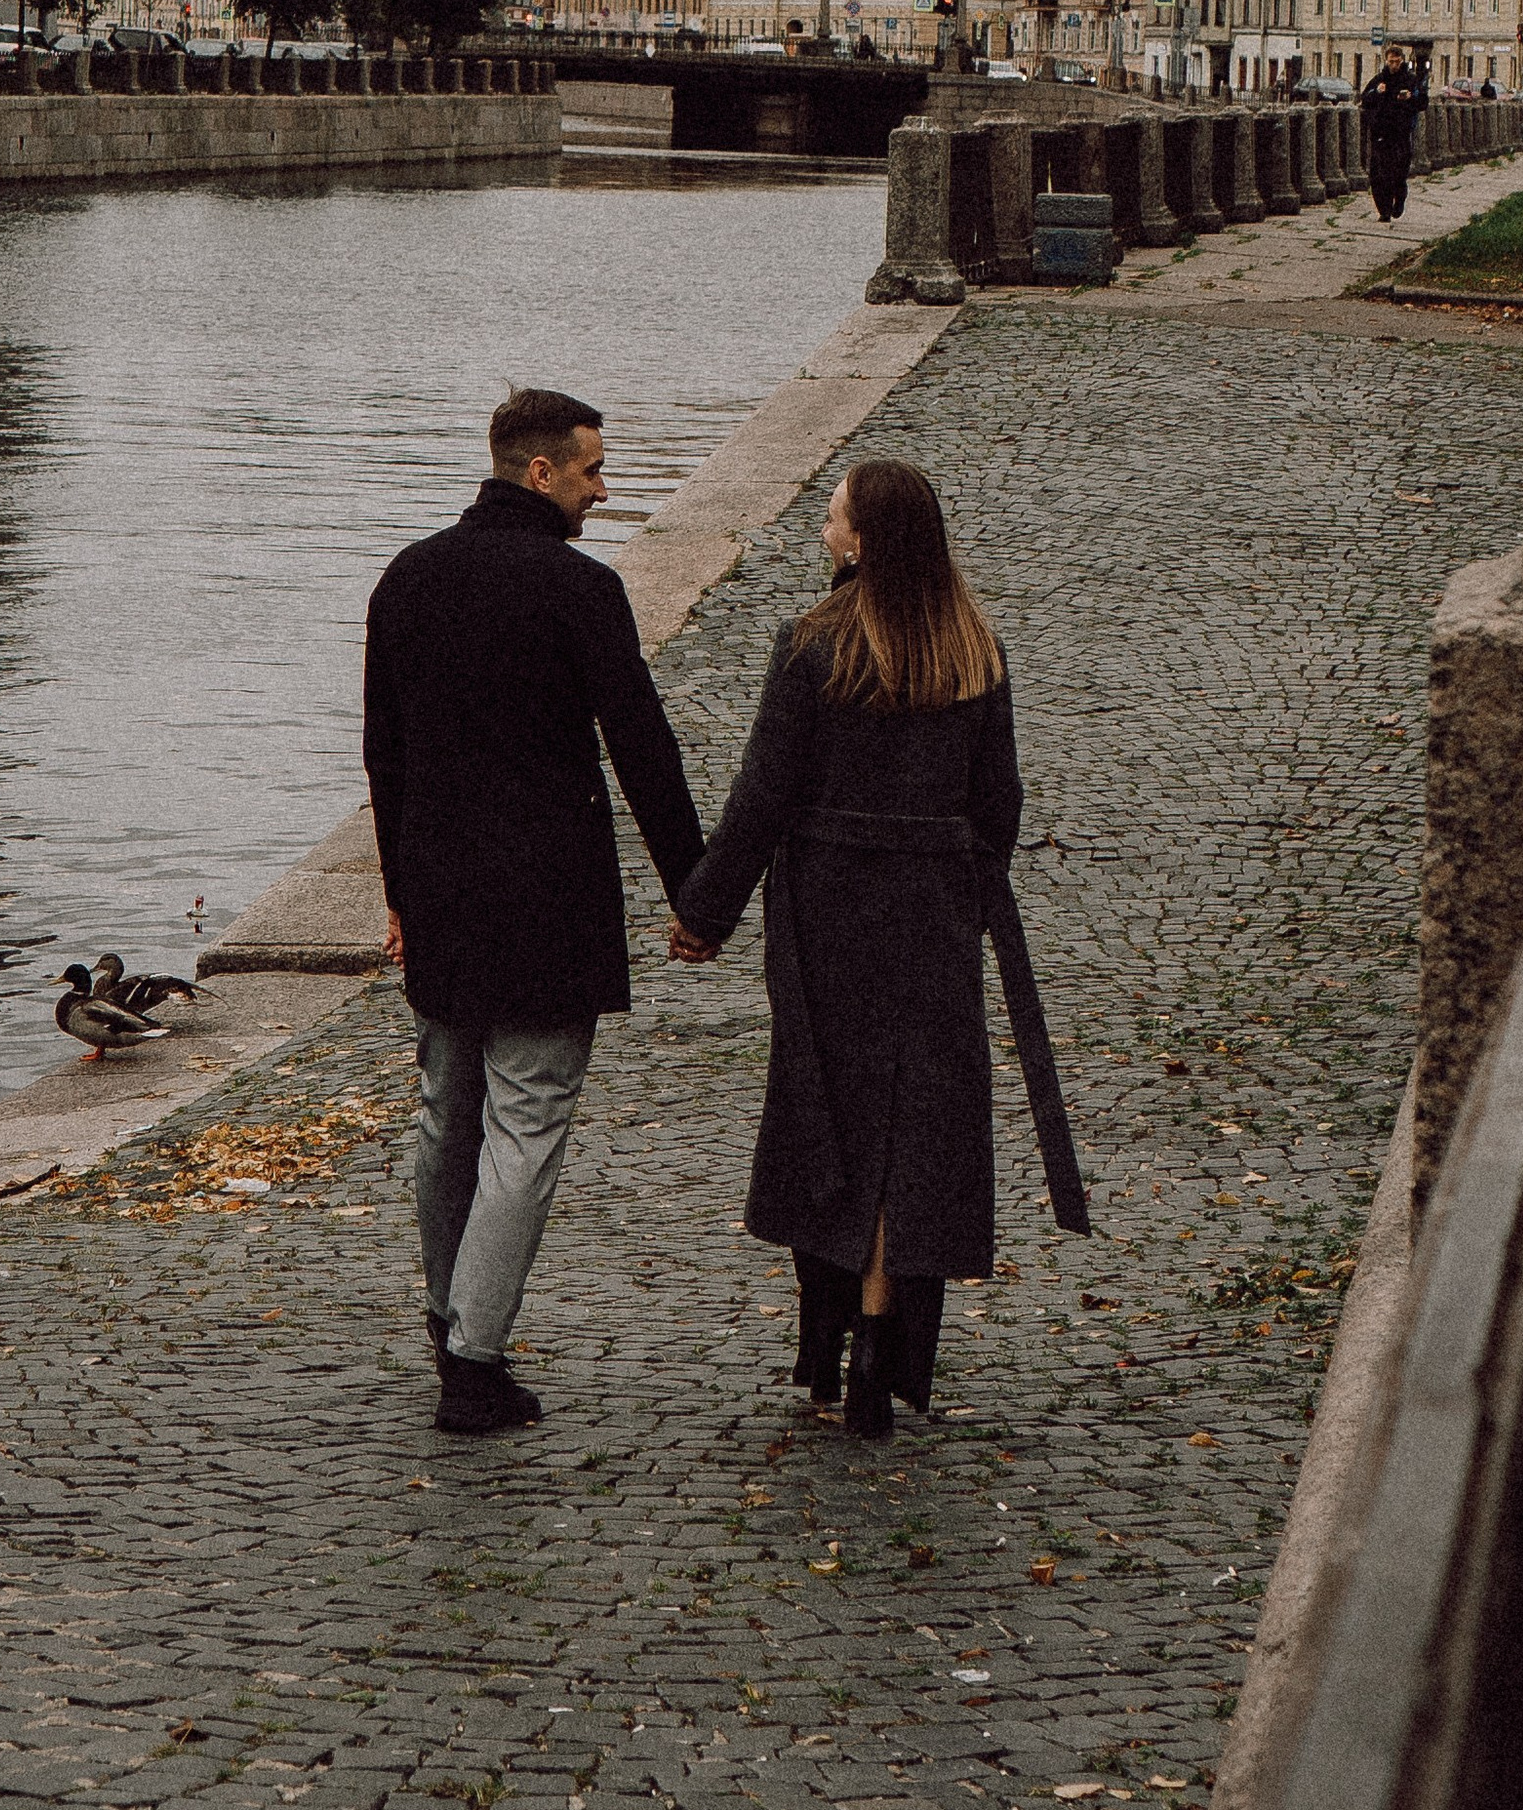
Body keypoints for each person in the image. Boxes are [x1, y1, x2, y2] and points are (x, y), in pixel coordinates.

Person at [670, 460, 1087, 1440]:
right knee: (912, 1128)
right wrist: (956, 894)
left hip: (829, 908)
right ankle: (877, 1342)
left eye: (834, 511)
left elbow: (762, 797)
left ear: (861, 540)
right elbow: (999, 808)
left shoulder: (810, 645)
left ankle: (835, 1339)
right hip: (932, 915)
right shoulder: (973, 649)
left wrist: (705, 910)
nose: (823, 522)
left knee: (834, 1117)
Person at [365, 387, 706, 1436]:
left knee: (445, 1117)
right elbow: (642, 745)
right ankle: (473, 1361)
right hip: (548, 900)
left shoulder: (406, 580)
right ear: (541, 471)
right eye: (593, 471)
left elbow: (386, 753)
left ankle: (444, 1312)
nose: (604, 492)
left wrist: (398, 891)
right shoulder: (579, 589)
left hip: (440, 888)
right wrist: (695, 890)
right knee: (527, 1123)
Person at [1360, 40, 1426, 223]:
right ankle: (1384, 210)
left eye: (1397, 61)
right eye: (1391, 62)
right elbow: (1364, 100)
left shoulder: (1410, 80)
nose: (1394, 65)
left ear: (1402, 61)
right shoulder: (1379, 80)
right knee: (1379, 174)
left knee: (1398, 172)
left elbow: (1423, 103)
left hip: (1401, 133)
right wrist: (1377, 92)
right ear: (1386, 61)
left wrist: (1410, 97)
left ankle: (1399, 199)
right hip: (1380, 133)